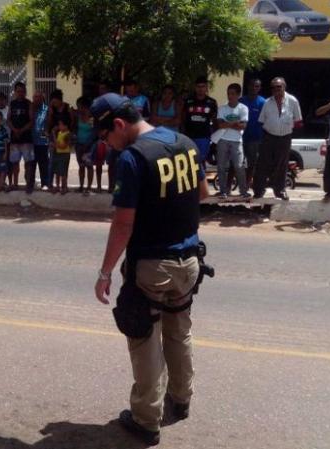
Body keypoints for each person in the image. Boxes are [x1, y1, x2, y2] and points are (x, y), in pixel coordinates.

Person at [91, 93, 209, 447]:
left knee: (145, 341)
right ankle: (182, 398)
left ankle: (146, 419)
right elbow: (202, 192)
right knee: (179, 331)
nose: (107, 144)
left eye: (105, 136)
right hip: (189, 262)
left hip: (152, 266)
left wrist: (105, 272)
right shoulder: (184, 142)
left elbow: (123, 225)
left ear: (118, 125)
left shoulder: (133, 157)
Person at [253, 77, 302, 200]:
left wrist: (287, 128)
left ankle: (280, 190)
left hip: (285, 137)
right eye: (273, 87)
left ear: (284, 87)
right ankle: (259, 190)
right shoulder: (267, 103)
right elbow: (261, 121)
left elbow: (298, 121)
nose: (275, 89)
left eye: (278, 87)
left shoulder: (293, 101)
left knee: (282, 164)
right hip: (269, 137)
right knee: (263, 164)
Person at [215, 83, 250, 200]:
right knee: (221, 166)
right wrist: (235, 123)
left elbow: (243, 126)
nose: (230, 96)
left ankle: (243, 191)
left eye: (233, 94)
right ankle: (223, 191)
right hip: (223, 139)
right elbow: (220, 125)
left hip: (236, 140)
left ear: (239, 95)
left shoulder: (243, 108)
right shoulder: (222, 108)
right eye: (228, 93)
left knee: (239, 166)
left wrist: (227, 124)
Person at [182, 76, 218, 165]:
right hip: (189, 136)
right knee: (188, 161)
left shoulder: (212, 102)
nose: (200, 89)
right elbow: (183, 118)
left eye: (203, 86)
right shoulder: (188, 101)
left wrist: (214, 138)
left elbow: (214, 121)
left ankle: (201, 178)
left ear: (206, 87)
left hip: (204, 137)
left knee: (200, 162)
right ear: (195, 87)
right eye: (198, 86)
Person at [8, 82, 35, 193]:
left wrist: (22, 130)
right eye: (18, 91)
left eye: (23, 91)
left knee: (28, 162)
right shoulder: (12, 104)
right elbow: (8, 119)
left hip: (26, 138)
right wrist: (15, 130)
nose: (21, 93)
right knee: (15, 162)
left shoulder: (29, 104)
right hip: (14, 139)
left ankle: (28, 184)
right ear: (15, 92)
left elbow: (32, 121)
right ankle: (15, 184)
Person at [240, 79, 266, 187]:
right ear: (248, 86)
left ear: (259, 88)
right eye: (252, 85)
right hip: (240, 137)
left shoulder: (262, 102)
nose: (254, 88)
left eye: (256, 86)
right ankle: (228, 186)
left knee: (252, 164)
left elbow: (265, 120)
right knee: (236, 163)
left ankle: (247, 184)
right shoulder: (241, 101)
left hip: (255, 138)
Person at [75, 96, 95, 193]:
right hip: (79, 145)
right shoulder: (78, 117)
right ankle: (81, 186)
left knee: (89, 166)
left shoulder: (91, 118)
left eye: (79, 106)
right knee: (81, 166)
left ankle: (89, 187)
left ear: (84, 106)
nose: (78, 108)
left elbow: (93, 132)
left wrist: (88, 144)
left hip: (89, 146)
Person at [32, 91, 51, 191]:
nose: (36, 99)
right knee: (31, 164)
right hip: (31, 141)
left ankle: (45, 183)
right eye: (34, 97)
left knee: (44, 164)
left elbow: (48, 124)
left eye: (38, 97)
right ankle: (31, 183)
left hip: (43, 142)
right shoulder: (31, 109)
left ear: (42, 98)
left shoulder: (47, 110)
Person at [52, 120, 72, 194]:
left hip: (64, 154)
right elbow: (57, 143)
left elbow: (63, 146)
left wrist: (55, 143)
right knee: (57, 171)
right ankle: (57, 186)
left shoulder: (67, 134)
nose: (59, 127)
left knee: (63, 172)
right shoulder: (60, 133)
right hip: (58, 153)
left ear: (66, 126)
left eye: (61, 125)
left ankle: (64, 187)